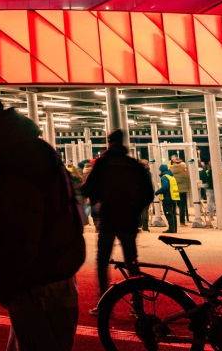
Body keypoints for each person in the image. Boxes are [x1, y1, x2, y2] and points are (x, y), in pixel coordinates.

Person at [0, 91, 85, 351]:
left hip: (38, 284)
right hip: (49, 276)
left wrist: (2, 285)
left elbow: (18, 237)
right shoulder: (31, 150)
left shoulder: (16, 164)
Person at [82, 129, 154, 314]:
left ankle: (104, 304)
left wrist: (101, 199)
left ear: (109, 142)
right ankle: (137, 305)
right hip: (129, 220)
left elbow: (88, 189)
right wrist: (135, 208)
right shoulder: (134, 164)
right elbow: (148, 193)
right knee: (132, 262)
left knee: (102, 261)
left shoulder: (102, 163)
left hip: (107, 218)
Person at [157, 163, 180, 233]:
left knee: (168, 214)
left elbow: (165, 187)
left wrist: (158, 191)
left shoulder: (164, 177)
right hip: (173, 198)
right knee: (173, 215)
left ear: (161, 170)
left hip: (167, 198)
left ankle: (171, 229)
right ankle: (174, 229)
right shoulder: (171, 176)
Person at [171, 156, 191, 226]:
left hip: (173, 191)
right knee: (182, 207)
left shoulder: (170, 171)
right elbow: (187, 181)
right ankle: (182, 222)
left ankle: (173, 223)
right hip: (182, 191)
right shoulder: (184, 172)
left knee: (173, 207)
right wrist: (188, 188)